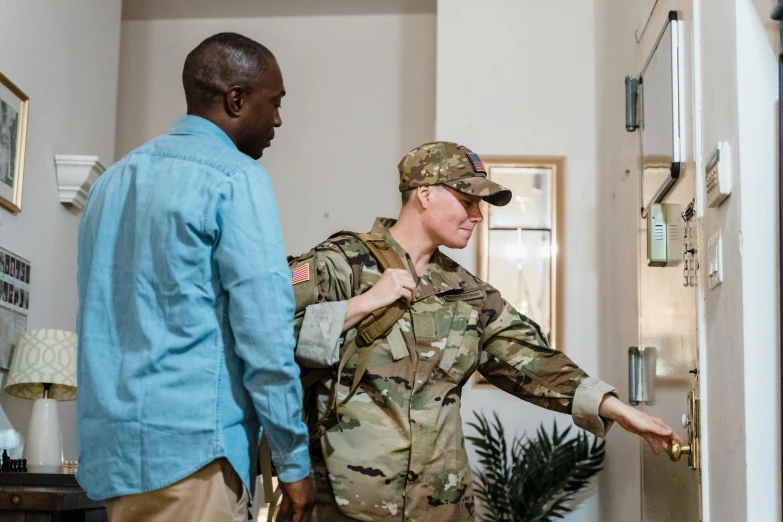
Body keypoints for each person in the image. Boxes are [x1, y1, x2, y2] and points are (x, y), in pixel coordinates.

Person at [288, 141, 677, 521]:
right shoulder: (340, 264)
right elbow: (266, 341)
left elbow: (532, 362)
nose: (478, 215)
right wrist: (361, 304)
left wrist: (617, 409)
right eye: (468, 201)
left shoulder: (468, 293)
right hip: (348, 504)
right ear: (424, 194)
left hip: (443, 505)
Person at [76, 33, 315, 522]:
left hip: (115, 462)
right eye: (274, 103)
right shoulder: (235, 178)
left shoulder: (110, 183)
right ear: (236, 99)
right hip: (196, 458)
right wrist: (294, 464)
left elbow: (99, 320)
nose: (277, 120)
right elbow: (265, 339)